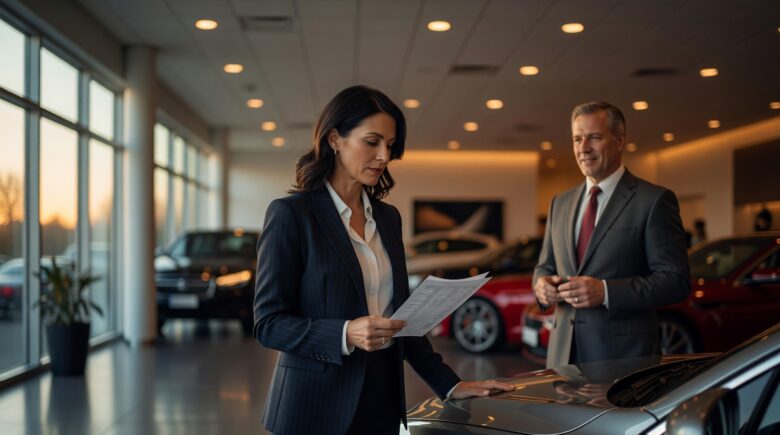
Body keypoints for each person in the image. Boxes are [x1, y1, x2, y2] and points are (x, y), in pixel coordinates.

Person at [253, 85, 514, 435]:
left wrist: (450, 385)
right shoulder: (291, 214)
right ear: (335, 139)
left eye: (390, 146)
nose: (383, 156)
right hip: (312, 407)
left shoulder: (388, 218)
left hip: (382, 402)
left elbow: (403, 318)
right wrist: (346, 333)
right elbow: (268, 323)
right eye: (372, 141)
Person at [533, 101, 690, 369]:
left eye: (594, 137)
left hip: (623, 360)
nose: (583, 148)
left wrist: (605, 292)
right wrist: (542, 287)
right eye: (577, 139)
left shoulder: (653, 201)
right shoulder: (559, 203)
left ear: (619, 140)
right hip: (562, 358)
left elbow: (676, 281)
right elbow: (544, 265)